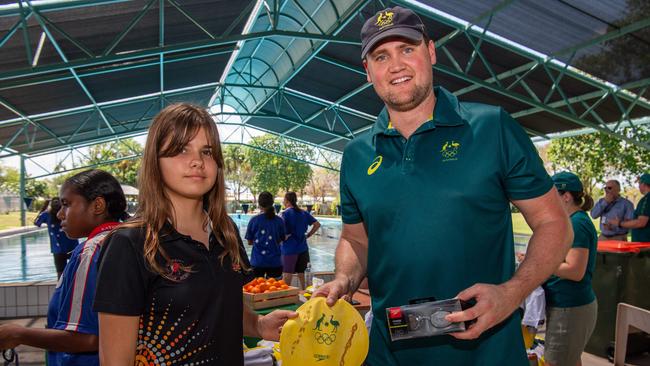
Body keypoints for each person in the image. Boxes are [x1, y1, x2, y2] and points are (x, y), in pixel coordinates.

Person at [313, 6, 572, 365]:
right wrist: (344, 279)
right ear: (368, 70)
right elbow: (356, 239)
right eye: (381, 56)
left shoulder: (491, 127)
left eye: (408, 49)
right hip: (391, 353)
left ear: (431, 52)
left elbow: (553, 223)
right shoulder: (356, 155)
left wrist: (512, 293)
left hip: (486, 353)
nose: (396, 65)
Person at [93, 103, 296, 365]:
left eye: (207, 151)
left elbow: (220, 304)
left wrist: (258, 325)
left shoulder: (226, 233)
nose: (197, 161)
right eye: (180, 149)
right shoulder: (130, 244)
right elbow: (115, 361)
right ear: (155, 161)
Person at [0, 169, 128, 366]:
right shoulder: (121, 242)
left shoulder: (90, 251)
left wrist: (19, 334)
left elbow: (87, 338)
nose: (60, 214)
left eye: (66, 205)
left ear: (98, 205)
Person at [543, 172, 598, 366]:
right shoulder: (573, 221)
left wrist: (541, 264)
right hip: (567, 305)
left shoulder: (578, 223)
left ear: (566, 196)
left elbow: (575, 271)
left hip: (570, 307)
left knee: (555, 362)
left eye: (551, 195)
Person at [281, 191, 321, 289]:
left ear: (287, 201)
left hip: (289, 249)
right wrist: (308, 235)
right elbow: (317, 224)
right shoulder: (303, 212)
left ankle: (286, 296)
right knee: (303, 274)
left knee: (287, 275)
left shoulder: (284, 214)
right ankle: (306, 293)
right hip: (303, 248)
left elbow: (283, 234)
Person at [34, 197, 79, 278]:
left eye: (57, 202)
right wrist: (44, 206)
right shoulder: (47, 215)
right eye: (54, 202)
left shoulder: (68, 212)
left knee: (76, 272)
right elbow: (37, 223)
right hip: (59, 249)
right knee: (61, 274)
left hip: (71, 247)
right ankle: (62, 289)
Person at [246, 191, 286, 278]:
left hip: (257, 262)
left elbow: (249, 242)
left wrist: (260, 242)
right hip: (275, 262)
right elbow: (282, 239)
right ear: (272, 203)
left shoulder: (254, 220)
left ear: (259, 204)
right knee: (275, 290)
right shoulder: (279, 221)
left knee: (256, 290)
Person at [610, 173, 650, 242]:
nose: (639, 186)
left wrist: (619, 223)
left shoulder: (647, 199)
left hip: (645, 244)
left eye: (639, 184)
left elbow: (641, 222)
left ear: (644, 184)